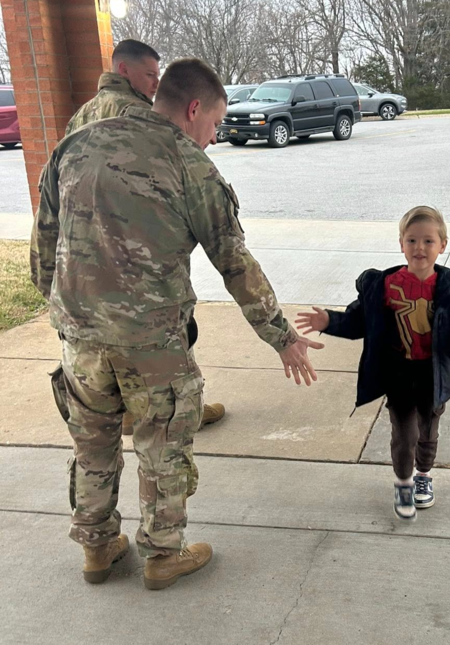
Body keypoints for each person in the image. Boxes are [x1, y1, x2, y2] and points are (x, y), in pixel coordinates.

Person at [31, 58, 323, 590]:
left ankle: (96, 550)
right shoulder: (189, 162)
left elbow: (43, 249)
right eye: (214, 125)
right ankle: (164, 554)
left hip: (80, 339)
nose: (213, 138)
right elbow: (235, 262)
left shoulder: (76, 144)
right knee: (163, 445)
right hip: (153, 344)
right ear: (193, 109)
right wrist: (282, 337)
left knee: (92, 445)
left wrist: (71, 316)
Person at [62, 39, 226, 433]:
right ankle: (166, 408)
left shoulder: (80, 120)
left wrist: (67, 304)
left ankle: (137, 409)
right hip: (142, 307)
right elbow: (229, 253)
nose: (155, 83)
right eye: (150, 74)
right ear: (124, 70)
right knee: (164, 437)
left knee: (91, 455)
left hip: (84, 303)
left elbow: (51, 218)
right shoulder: (145, 118)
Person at [296, 206, 450, 521]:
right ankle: (403, 482)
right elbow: (357, 322)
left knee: (428, 432)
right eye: (412, 240)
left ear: (442, 245)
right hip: (399, 374)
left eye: (428, 241)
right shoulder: (383, 285)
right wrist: (328, 321)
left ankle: (423, 475)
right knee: (404, 434)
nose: (420, 247)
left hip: (434, 375)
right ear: (401, 244)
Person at [65, 39, 160, 136]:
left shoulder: (79, 116)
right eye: (150, 74)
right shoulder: (139, 112)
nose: (157, 83)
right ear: (124, 70)